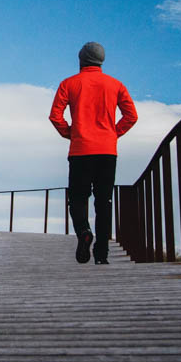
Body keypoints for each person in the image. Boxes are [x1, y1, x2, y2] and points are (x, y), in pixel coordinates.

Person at [49, 42, 138, 264]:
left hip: (80, 151)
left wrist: (71, 133)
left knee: (78, 199)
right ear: (101, 61)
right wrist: (113, 133)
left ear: (81, 60)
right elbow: (131, 116)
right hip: (107, 151)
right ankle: (101, 255)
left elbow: (55, 116)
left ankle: (83, 232)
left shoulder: (68, 84)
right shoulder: (115, 85)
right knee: (104, 202)